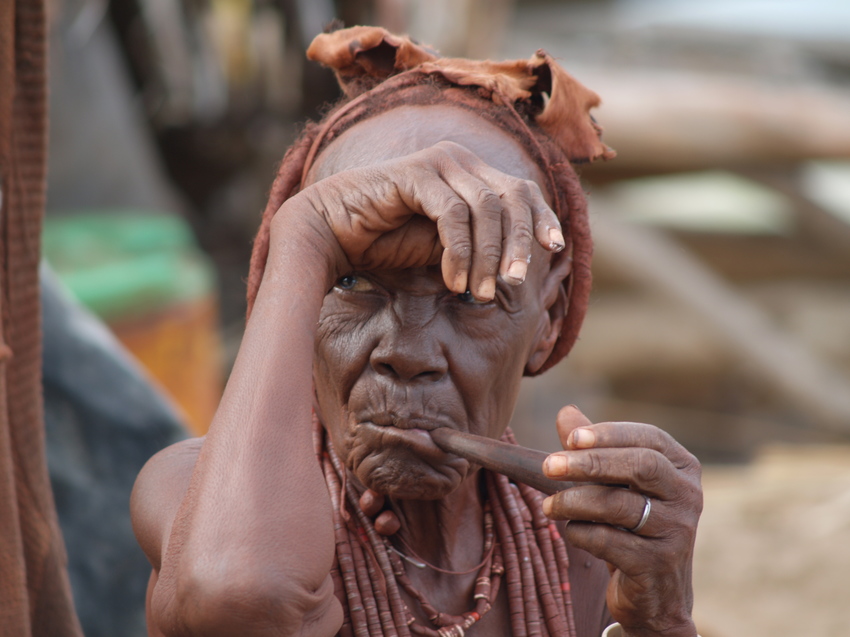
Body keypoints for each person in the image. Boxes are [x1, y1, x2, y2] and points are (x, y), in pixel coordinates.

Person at [131, 26, 703, 637]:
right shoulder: (196, 495)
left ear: (550, 317)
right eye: (350, 283)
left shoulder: (581, 545)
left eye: (471, 295)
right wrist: (305, 231)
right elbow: (240, 596)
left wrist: (661, 621)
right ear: (289, 298)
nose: (408, 353)